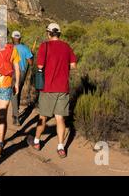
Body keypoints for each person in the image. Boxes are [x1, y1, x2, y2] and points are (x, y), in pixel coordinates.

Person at [31, 23, 77, 158]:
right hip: (62, 87)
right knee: (60, 118)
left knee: (43, 117)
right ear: (59, 34)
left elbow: (40, 65)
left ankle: (37, 141)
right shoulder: (66, 47)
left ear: (49, 33)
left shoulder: (44, 46)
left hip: (48, 88)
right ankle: (61, 147)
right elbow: (73, 65)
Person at [10, 31, 34, 126]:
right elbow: (31, 63)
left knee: (14, 93)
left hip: (11, 72)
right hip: (22, 72)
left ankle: (15, 117)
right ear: (20, 38)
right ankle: (16, 111)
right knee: (17, 91)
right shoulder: (25, 48)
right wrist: (32, 55)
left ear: (12, 38)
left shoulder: (9, 48)